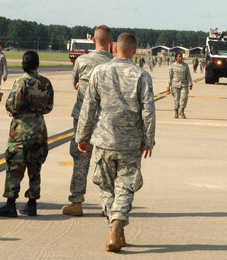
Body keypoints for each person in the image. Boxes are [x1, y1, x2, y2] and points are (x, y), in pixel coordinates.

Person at [75, 32, 155, 253]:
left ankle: (114, 227)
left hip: (104, 140)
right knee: (125, 187)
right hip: (130, 143)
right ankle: (117, 226)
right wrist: (148, 140)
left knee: (107, 188)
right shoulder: (141, 75)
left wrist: (82, 137)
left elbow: (88, 107)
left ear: (114, 47)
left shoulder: (99, 72)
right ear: (135, 50)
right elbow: (148, 110)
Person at [0, 51, 54, 218]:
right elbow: (48, 107)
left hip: (20, 131)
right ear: (37, 64)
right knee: (35, 168)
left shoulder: (21, 82)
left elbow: (12, 105)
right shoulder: (46, 82)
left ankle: (10, 204)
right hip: (39, 130)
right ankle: (32, 204)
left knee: (15, 168)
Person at [62, 25, 113, 217]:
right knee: (106, 162)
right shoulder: (114, 64)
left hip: (82, 118)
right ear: (110, 42)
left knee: (81, 160)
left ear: (93, 40)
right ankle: (108, 205)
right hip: (105, 120)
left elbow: (75, 83)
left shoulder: (82, 61)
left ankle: (76, 202)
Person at [168, 53, 193, 119]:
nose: (180, 58)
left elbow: (188, 75)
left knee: (184, 98)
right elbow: (170, 77)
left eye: (181, 56)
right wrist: (168, 86)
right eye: (179, 57)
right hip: (175, 85)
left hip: (184, 84)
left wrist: (190, 83)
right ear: (176, 58)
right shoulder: (172, 66)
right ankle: (176, 111)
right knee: (176, 99)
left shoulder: (185, 66)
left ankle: (182, 110)